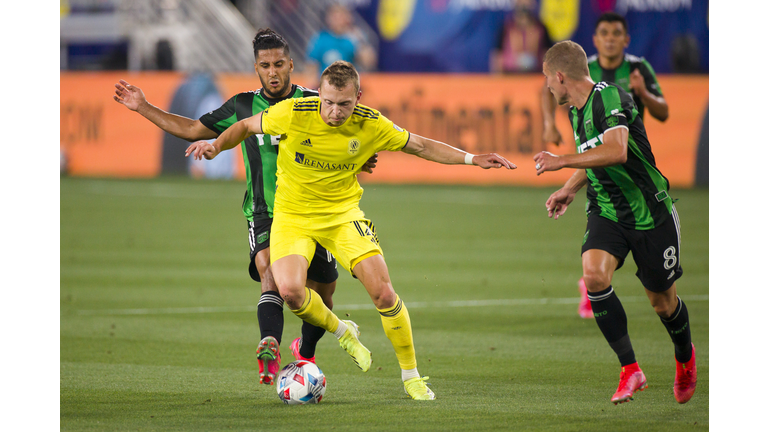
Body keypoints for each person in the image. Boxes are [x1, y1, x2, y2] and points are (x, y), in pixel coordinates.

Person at [186, 60, 516, 400]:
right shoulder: (293, 113)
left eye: (344, 104)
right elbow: (244, 126)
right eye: (328, 102)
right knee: (291, 293)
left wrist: (472, 159)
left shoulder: (371, 123)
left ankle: (412, 377)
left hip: (342, 216)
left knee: (384, 293)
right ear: (319, 94)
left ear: (358, 97)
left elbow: (420, 145)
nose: (335, 111)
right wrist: (216, 146)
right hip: (292, 217)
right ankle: (343, 331)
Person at [112, 29, 376, 386]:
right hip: (265, 210)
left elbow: (350, 133)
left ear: (291, 64)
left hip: (313, 209)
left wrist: (363, 156)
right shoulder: (242, 105)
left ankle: (306, 352)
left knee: (323, 292)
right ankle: (269, 343)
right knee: (270, 272)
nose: (273, 72)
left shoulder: (316, 102)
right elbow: (193, 129)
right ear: (256, 68)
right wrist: (143, 106)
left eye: (279, 64)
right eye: (265, 65)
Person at [534, 41, 696, 405]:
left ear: (560, 76)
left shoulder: (608, 97)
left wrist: (562, 160)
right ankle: (630, 369)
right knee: (593, 275)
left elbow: (617, 151)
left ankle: (685, 357)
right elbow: (595, 156)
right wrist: (570, 188)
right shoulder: (576, 111)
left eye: (547, 78)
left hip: (649, 212)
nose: (547, 86)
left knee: (663, 304)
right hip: (607, 210)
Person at [540, 12, 669, 318]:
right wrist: (549, 126)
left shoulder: (636, 70)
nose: (610, 39)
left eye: (616, 33)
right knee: (596, 261)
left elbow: (663, 113)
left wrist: (644, 93)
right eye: (604, 33)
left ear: (626, 39)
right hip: (602, 179)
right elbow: (546, 90)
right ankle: (593, 284)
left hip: (635, 173)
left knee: (663, 301)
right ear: (595, 40)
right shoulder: (581, 71)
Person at [305, 3, 376, 87]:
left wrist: (359, 41)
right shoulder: (320, 39)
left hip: (348, 85)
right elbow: (311, 65)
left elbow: (368, 62)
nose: (338, 21)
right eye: (335, 17)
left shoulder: (352, 38)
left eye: (341, 16)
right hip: (326, 85)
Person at [490, 0, 552, 74]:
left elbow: (548, 55)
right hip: (510, 75)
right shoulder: (506, 27)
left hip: (534, 75)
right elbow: (497, 56)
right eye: (520, 1)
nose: (524, 4)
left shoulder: (541, 28)